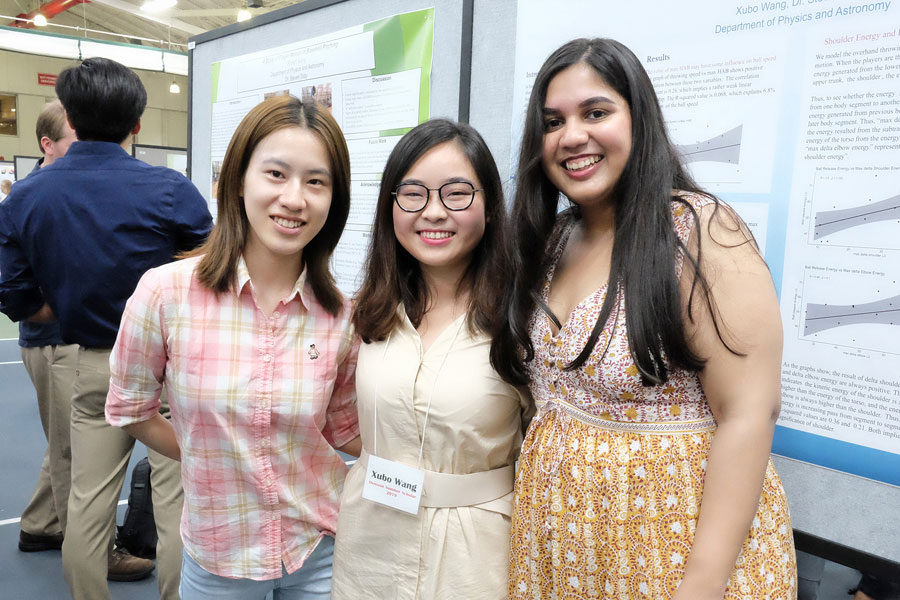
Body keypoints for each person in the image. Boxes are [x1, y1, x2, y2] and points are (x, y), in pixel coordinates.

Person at [492, 38, 797, 599]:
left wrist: (701, 584)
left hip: (675, 556)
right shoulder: (554, 240)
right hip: (564, 550)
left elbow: (749, 412)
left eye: (596, 112)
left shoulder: (697, 230)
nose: (572, 136)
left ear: (639, 118)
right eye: (553, 121)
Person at [105, 95, 360, 600]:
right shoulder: (165, 292)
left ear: (334, 199)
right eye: (276, 174)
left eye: (316, 181)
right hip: (219, 553)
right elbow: (131, 409)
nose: (295, 198)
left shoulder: (340, 315)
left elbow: (343, 428)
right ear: (238, 180)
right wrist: (204, 453)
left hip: (319, 548)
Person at [0, 57, 212, 600]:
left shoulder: (24, 198)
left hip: (93, 361)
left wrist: (70, 306)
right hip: (171, 368)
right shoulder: (169, 190)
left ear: (68, 115)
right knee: (176, 502)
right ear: (137, 124)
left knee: (87, 502)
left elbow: (19, 300)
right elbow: (212, 268)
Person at [330, 119, 532, 599]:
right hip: (369, 544)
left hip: (476, 556)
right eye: (413, 194)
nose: (434, 212)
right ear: (390, 207)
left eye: (457, 193)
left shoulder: (522, 319)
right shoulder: (370, 312)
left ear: (489, 207)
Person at [16, 99, 79, 555]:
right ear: (47, 144)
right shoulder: (34, 197)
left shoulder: (60, 190)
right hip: (55, 342)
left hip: (67, 340)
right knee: (74, 451)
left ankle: (39, 525)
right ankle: (90, 546)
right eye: (77, 141)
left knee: (64, 439)